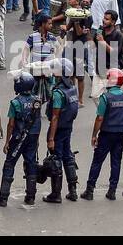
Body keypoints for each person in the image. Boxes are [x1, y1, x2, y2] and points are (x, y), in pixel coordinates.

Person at [83, 67, 123, 200]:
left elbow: (100, 118)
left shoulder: (105, 98)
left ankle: (89, 190)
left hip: (106, 134)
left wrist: (94, 135)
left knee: (97, 161)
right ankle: (112, 191)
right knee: (116, 162)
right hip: (120, 134)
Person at [0, 70, 42, 206]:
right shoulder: (37, 101)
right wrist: (36, 139)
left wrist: (7, 142)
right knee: (31, 164)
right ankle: (31, 197)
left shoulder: (15, 103)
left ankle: (3, 198)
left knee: (9, 164)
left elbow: (11, 124)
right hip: (32, 137)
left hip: (18, 138)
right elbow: (37, 121)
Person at [42, 58, 81, 203]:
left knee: (56, 160)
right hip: (68, 127)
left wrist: (51, 138)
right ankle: (73, 191)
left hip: (58, 130)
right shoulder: (72, 89)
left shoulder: (58, 93)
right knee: (68, 156)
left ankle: (55, 194)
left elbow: (55, 117)